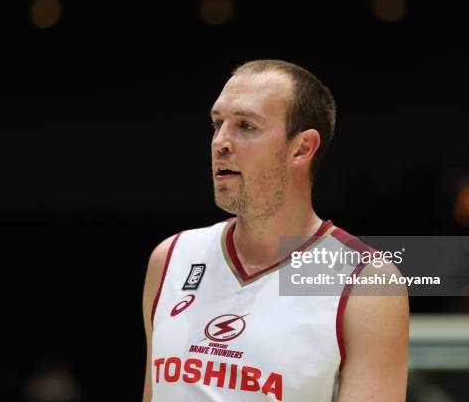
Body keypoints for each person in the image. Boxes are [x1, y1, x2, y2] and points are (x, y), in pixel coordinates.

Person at [142, 59, 408, 401]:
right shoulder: (170, 258)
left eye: (246, 126)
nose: (220, 142)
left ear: (301, 148)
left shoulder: (365, 283)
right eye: (217, 124)